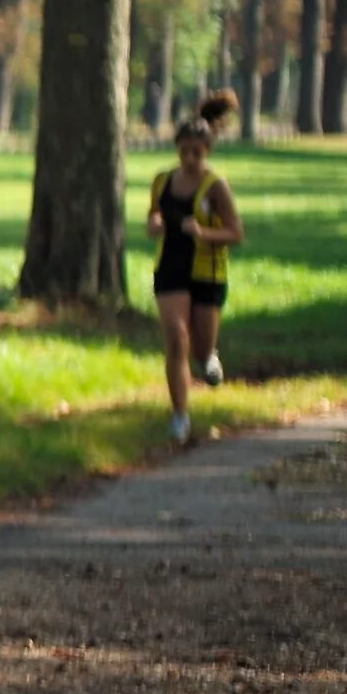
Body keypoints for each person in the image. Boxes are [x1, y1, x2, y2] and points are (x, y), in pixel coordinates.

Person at [148, 90, 243, 446]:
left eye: (197, 152)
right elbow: (153, 215)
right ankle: (180, 416)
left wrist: (204, 232)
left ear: (208, 151)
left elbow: (236, 232)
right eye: (184, 151)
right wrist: (155, 223)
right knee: (176, 338)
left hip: (207, 271)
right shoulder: (163, 181)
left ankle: (208, 357)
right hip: (171, 267)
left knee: (201, 350)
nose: (189, 159)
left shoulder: (215, 186)